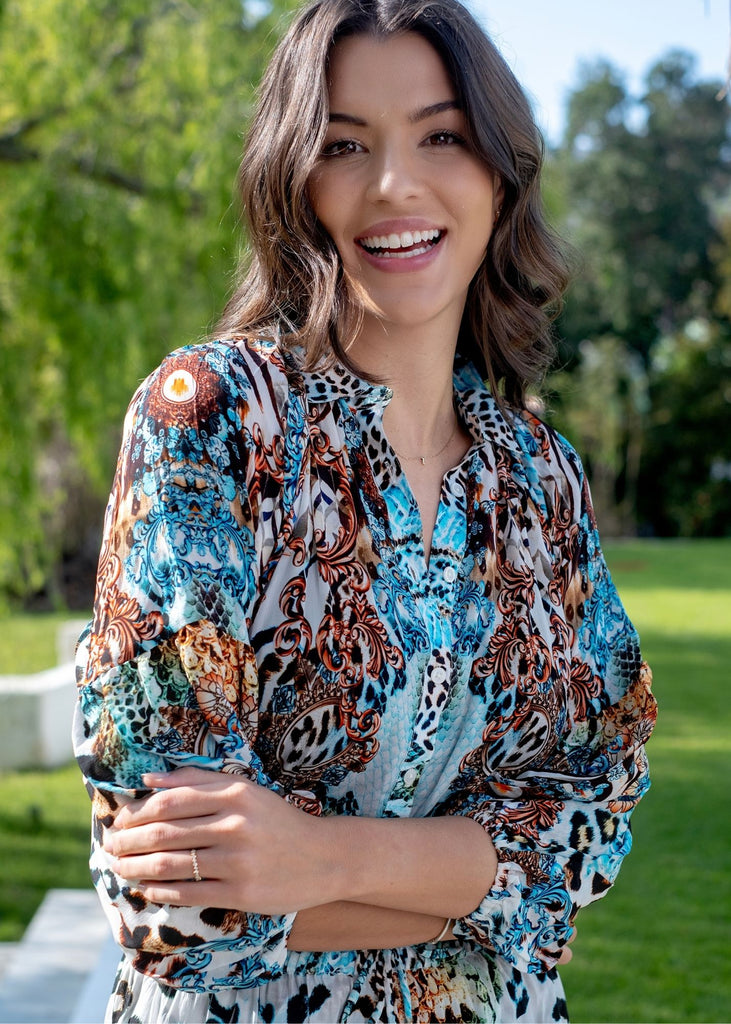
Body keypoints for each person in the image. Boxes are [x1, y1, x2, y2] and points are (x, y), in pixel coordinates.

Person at [72, 0, 657, 1020]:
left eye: (440, 134)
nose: (395, 184)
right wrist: (480, 892)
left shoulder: (540, 478)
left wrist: (314, 857)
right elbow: (174, 905)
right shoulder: (211, 422)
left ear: (496, 172)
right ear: (293, 181)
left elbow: (589, 832)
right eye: (345, 144)